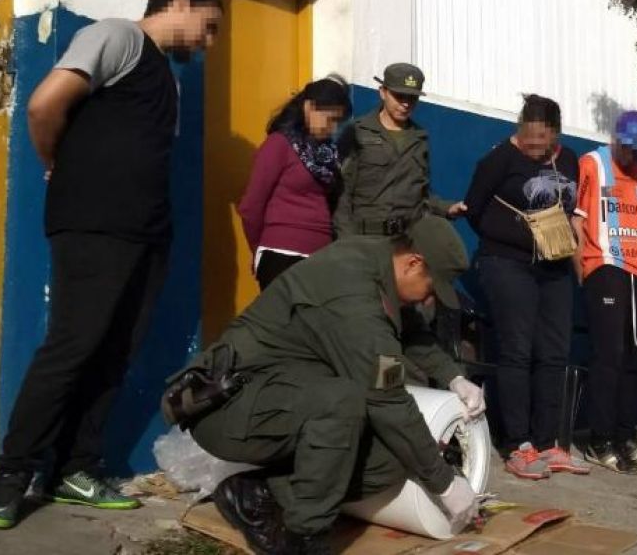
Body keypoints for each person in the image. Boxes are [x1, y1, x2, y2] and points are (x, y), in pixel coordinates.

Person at [0, 0, 223, 530]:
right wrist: (55, 164)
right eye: (208, 26)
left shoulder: (169, 80)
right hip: (95, 222)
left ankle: (74, 469)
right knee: (73, 344)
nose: (208, 42)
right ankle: (11, 474)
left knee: (115, 353)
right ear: (180, 3)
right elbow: (44, 105)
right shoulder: (118, 36)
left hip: (147, 231)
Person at [184, 215, 486, 554]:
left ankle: (258, 494)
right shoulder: (352, 293)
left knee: (392, 459)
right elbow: (386, 397)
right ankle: (303, 539)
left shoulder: (378, 263)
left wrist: (452, 375)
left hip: (286, 397)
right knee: (345, 403)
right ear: (413, 263)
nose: (427, 299)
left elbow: (411, 330)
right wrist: (445, 482)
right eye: (432, 288)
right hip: (231, 406)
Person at [464, 94, 589, 480]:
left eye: (544, 140)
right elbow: (474, 207)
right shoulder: (499, 158)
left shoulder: (567, 159)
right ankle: (518, 444)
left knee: (553, 352)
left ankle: (548, 442)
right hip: (507, 264)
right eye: (531, 139)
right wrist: (511, 237)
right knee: (516, 349)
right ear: (521, 129)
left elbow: (571, 214)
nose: (537, 147)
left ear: (556, 133)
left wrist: (577, 262)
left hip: (553, 267)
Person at [573, 111, 637, 474]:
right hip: (605, 268)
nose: (632, 155)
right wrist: (582, 269)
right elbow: (578, 220)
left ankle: (624, 433)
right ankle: (599, 440)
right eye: (627, 147)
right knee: (608, 356)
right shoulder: (593, 164)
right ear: (616, 139)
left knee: (633, 356)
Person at [237, 75, 352, 290]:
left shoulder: (327, 153)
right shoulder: (279, 145)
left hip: (320, 256)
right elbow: (251, 206)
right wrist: (258, 249)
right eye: (329, 119)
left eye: (337, 121)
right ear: (309, 108)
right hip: (281, 255)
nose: (333, 128)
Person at [334, 62, 466, 237]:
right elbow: (341, 193)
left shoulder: (419, 138)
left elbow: (421, 194)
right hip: (365, 241)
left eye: (412, 98)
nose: (405, 104)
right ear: (383, 92)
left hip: (405, 242)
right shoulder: (357, 132)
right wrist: (346, 240)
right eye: (399, 96)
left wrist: (447, 208)